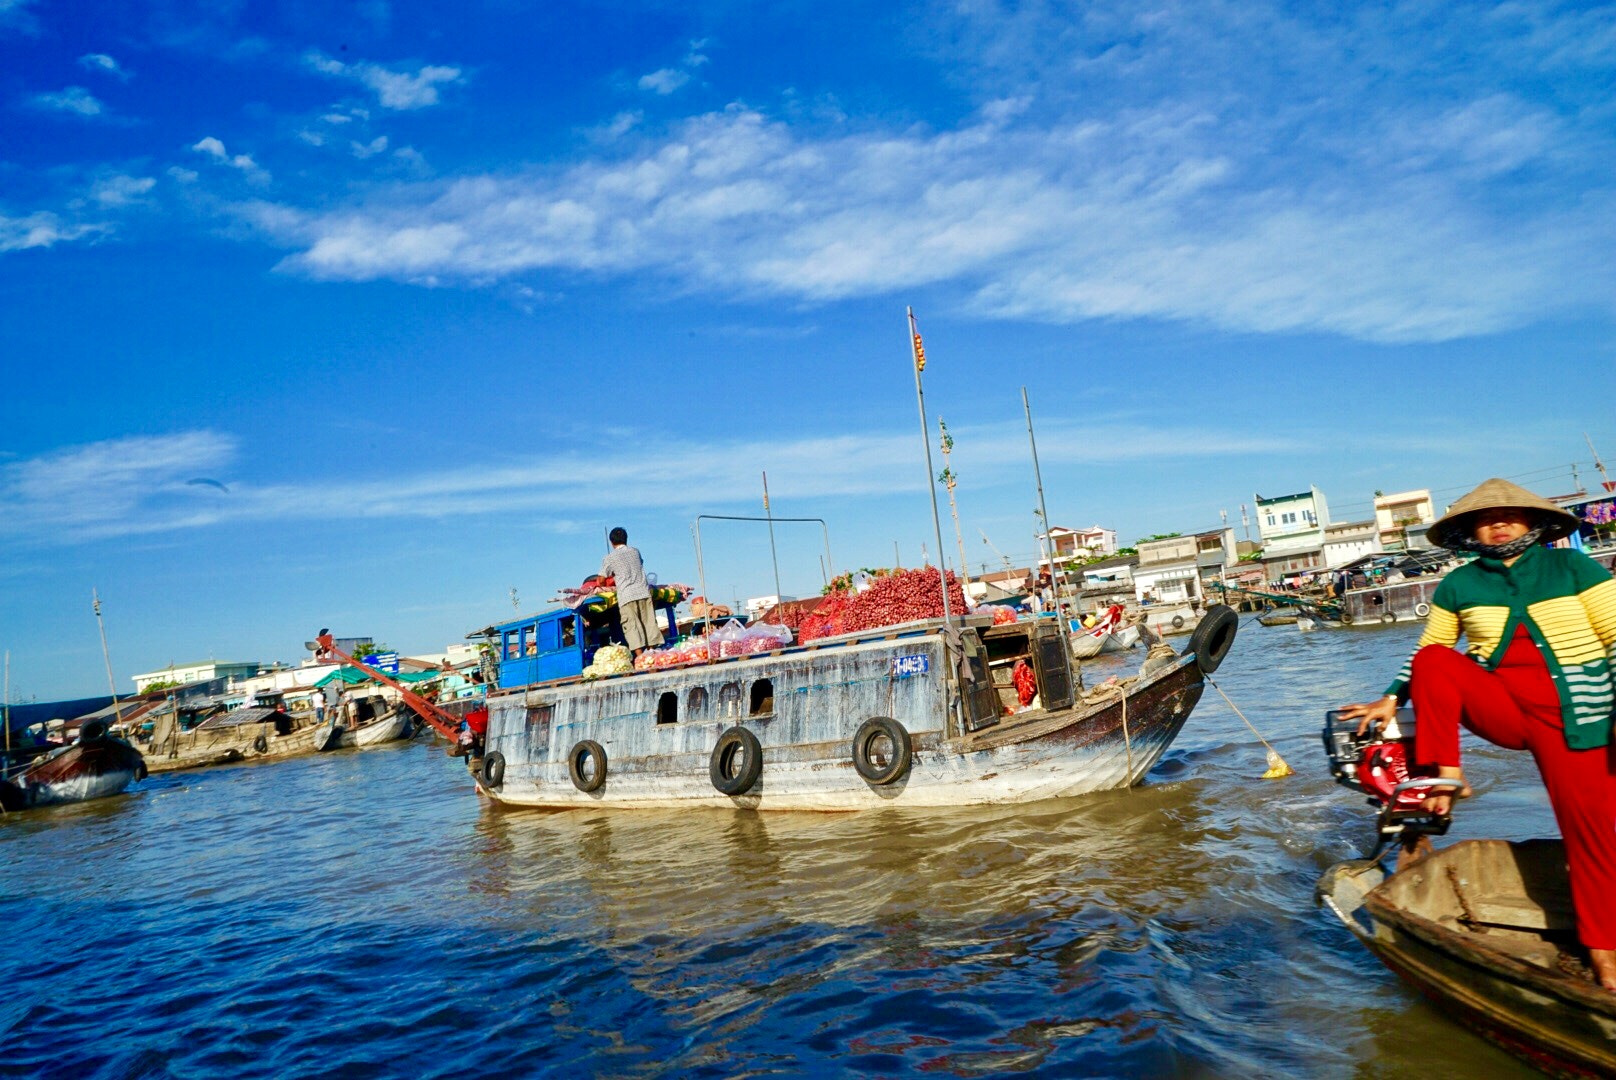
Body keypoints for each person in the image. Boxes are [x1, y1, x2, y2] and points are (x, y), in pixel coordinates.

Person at [1338, 478, 1616, 989]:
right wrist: (1391, 695)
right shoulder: (1459, 584)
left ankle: (1604, 951)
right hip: (1505, 709)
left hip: (1581, 715)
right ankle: (1448, 774)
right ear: (1470, 530)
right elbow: (1431, 650)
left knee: (1592, 833)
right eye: (1487, 518)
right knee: (1435, 661)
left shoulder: (1572, 566)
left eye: (1509, 513)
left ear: (1534, 521)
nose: (1499, 522)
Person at [602, 526, 664, 658]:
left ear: (611, 542)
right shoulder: (635, 552)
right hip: (643, 592)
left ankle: (640, 657)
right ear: (626, 539)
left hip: (626, 595)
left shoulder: (609, 558)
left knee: (631, 626)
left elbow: (601, 580)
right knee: (649, 622)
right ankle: (651, 653)